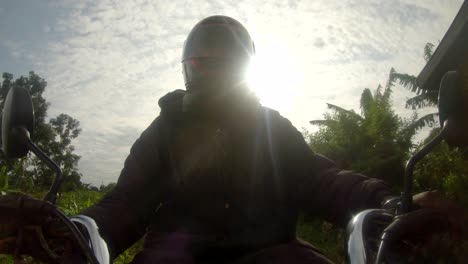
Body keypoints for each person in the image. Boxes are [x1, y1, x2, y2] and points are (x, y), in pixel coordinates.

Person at [0, 15, 466, 264]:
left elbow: (322, 178)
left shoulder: (270, 127)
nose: (215, 73)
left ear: (247, 69)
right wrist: (74, 229)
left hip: (272, 252)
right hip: (174, 255)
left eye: (228, 63)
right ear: (188, 69)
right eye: (204, 63)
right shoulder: (164, 130)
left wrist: (391, 200)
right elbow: (126, 203)